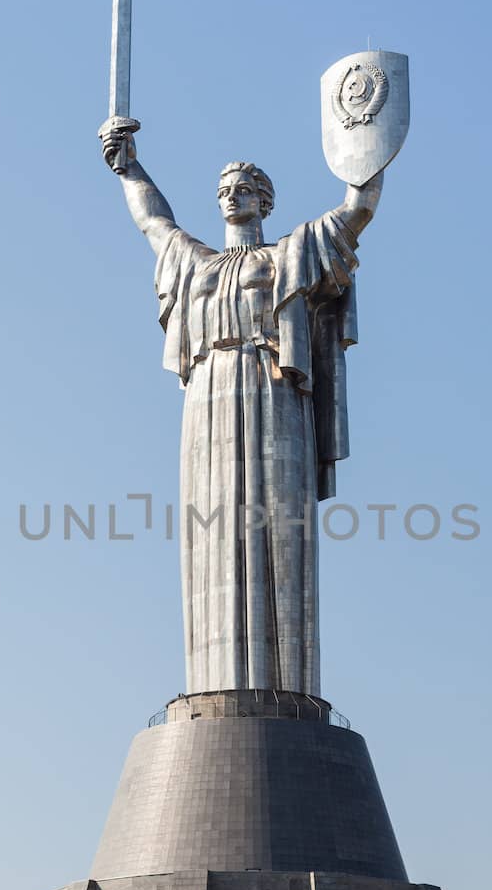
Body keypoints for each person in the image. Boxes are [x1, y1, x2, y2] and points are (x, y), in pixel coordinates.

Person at [101, 122, 383, 697]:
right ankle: (212, 686)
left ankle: (284, 690)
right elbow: (153, 221)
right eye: (225, 189)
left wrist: (368, 149)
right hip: (207, 395)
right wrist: (130, 168)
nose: (231, 195)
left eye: (244, 188)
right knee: (212, 535)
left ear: (265, 202)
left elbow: (357, 211)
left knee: (277, 525)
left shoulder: (290, 255)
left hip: (273, 386)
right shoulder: (196, 265)